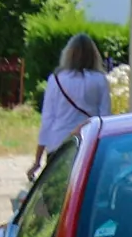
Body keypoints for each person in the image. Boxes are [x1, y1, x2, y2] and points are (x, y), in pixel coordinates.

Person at [30, 32, 112, 180]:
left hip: (58, 145)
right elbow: (105, 119)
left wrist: (37, 160)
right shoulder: (100, 80)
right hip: (88, 145)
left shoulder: (56, 79)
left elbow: (47, 120)